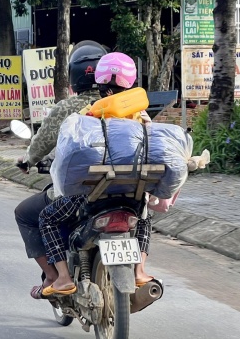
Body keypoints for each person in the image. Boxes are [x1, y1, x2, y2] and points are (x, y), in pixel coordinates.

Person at [36, 52, 154, 297]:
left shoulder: (88, 114)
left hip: (93, 194)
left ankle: (63, 279)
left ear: (99, 84)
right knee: (144, 215)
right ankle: (140, 271)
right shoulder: (142, 117)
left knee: (47, 218)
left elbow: (69, 153)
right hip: (132, 192)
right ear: (130, 83)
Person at [14, 41, 108, 298]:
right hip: (123, 189)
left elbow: (41, 144)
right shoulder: (127, 106)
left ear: (74, 78)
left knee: (26, 214)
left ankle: (56, 277)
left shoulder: (66, 108)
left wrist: (28, 160)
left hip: (79, 193)